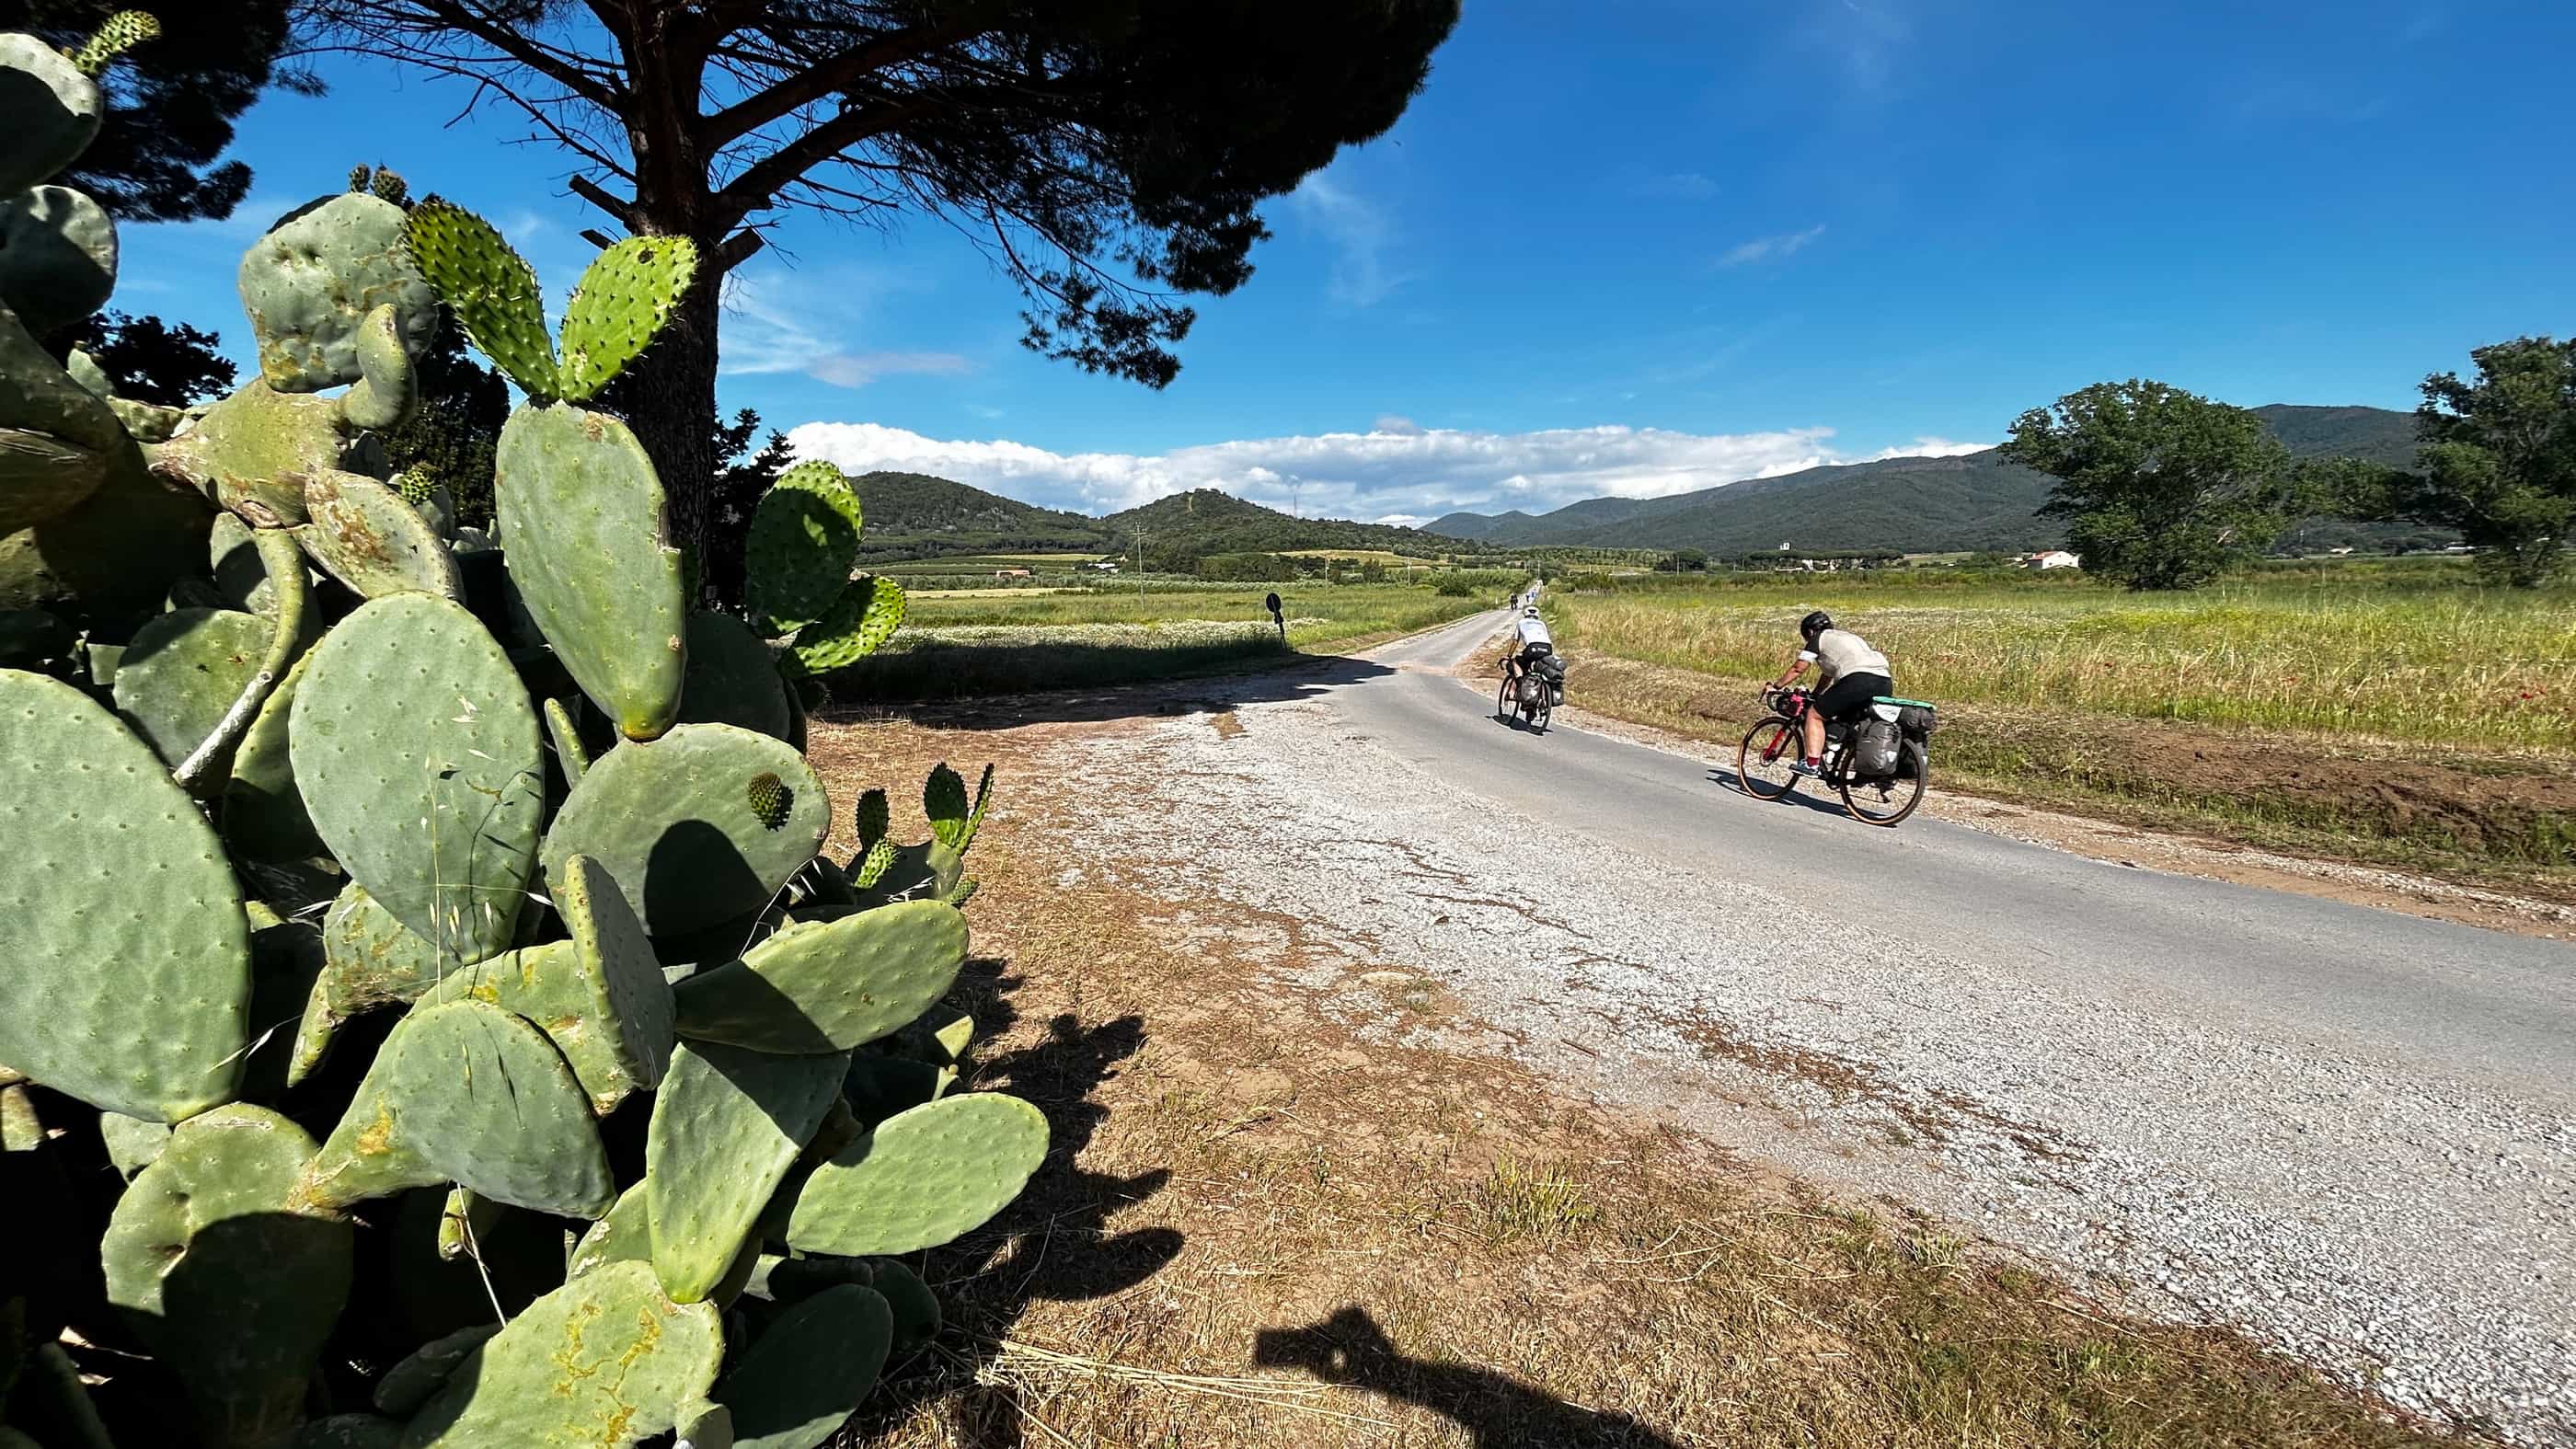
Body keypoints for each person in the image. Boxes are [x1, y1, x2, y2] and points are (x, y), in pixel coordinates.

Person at [1766, 610, 1891, 777]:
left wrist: (1776, 686)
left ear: (1810, 631)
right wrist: (1817, 693)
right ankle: (1845, 755)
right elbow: (1828, 674)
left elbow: (1798, 668)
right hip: (1884, 682)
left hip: (1858, 679)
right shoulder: (1846, 637)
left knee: (1814, 715)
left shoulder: (1818, 638)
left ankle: (1811, 764)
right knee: (1847, 721)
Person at [1501, 604, 1557, 696]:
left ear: (1525, 614)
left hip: (1532, 648)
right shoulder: (1542, 623)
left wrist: (1509, 656)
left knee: (1516, 662)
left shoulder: (1521, 622)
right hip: (1548, 648)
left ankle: (1520, 686)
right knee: (1539, 667)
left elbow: (1515, 642)